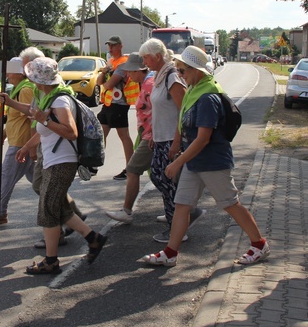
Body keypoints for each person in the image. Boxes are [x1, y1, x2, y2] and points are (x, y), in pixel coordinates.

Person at [140, 46, 269, 267]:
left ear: (196, 69)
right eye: (178, 70)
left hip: (212, 162)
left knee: (230, 204)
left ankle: (259, 244)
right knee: (182, 204)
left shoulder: (208, 97)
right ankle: (171, 253)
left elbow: (203, 139)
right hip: (195, 161)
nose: (180, 74)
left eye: (183, 70)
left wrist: (178, 161)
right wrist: (179, 146)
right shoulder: (193, 89)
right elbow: (183, 118)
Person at [2, 57, 107, 274]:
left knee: (48, 209)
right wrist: (26, 145)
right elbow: (39, 123)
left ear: (39, 80)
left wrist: (45, 120)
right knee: (56, 207)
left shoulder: (59, 101)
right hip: (53, 160)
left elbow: (70, 131)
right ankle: (93, 238)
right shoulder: (45, 96)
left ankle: (51, 261)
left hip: (62, 162)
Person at [139, 38, 188, 243]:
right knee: (159, 178)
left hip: (171, 140)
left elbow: (184, 110)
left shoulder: (171, 76)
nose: (144, 61)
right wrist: (154, 136)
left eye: (146, 57)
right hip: (161, 138)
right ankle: (180, 217)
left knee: (167, 182)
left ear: (157, 56)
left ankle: (177, 228)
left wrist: (177, 142)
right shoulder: (160, 74)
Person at [0, 57, 36, 225]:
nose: (7, 74)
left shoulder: (25, 89)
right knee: (39, 181)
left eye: (10, 70)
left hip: (22, 144)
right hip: (22, 143)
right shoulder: (20, 88)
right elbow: (16, 117)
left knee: (6, 179)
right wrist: (4, 133)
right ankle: (68, 211)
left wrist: (29, 147)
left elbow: (31, 116)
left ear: (20, 73)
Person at [105, 53, 154, 223]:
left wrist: (154, 133)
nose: (128, 75)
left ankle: (126, 211)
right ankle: (183, 210)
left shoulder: (149, 84)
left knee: (133, 169)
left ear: (140, 70)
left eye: (131, 71)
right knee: (161, 174)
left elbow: (160, 111)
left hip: (152, 135)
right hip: (148, 134)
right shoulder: (146, 82)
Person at [95, 36, 138, 180]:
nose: (110, 49)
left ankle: (130, 168)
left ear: (120, 46)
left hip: (119, 104)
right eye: (109, 46)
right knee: (101, 134)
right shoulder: (111, 62)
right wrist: (104, 71)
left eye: (112, 46)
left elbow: (108, 84)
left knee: (124, 136)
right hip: (108, 104)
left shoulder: (123, 63)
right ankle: (94, 164)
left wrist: (107, 75)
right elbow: (99, 82)